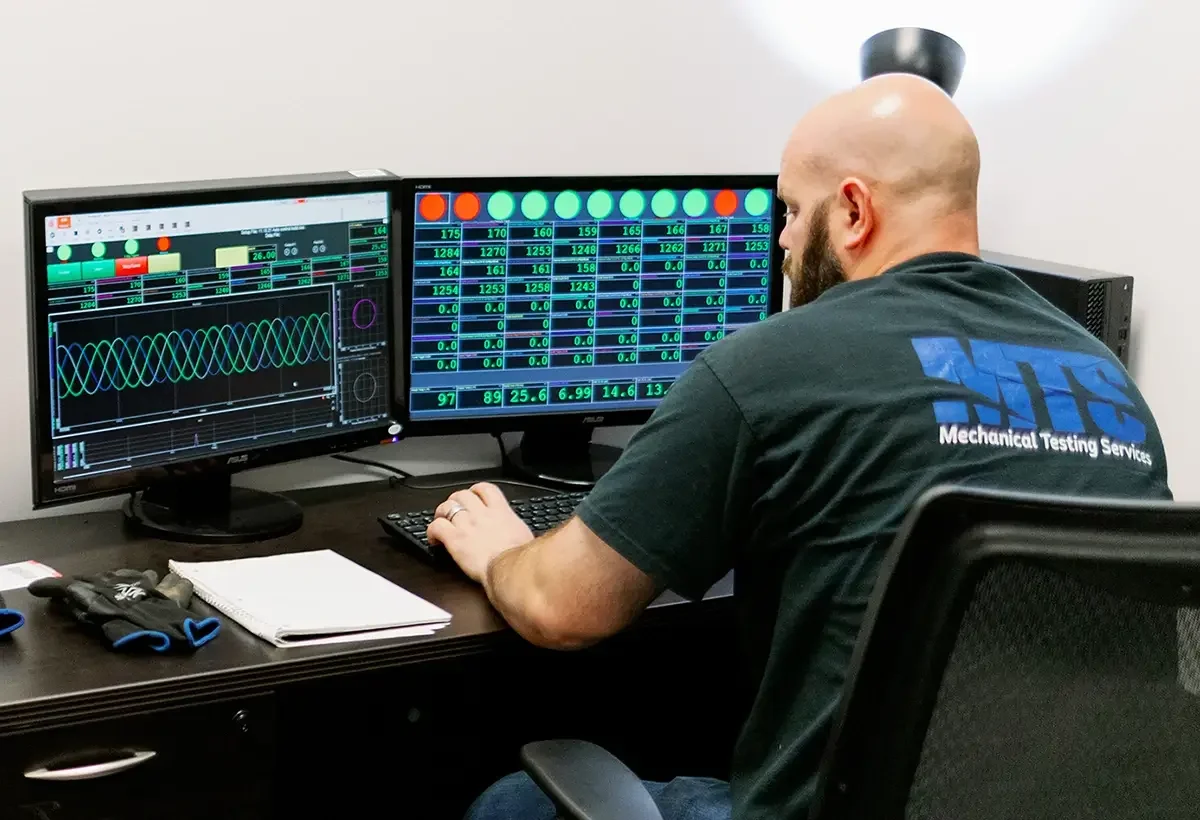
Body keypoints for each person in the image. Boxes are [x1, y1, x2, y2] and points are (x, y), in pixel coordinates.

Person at [429, 74, 1173, 820]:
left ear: (853, 210)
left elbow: (564, 609)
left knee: (514, 802)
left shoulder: (774, 364)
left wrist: (499, 551)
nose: (781, 240)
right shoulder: (1108, 383)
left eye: (789, 210)